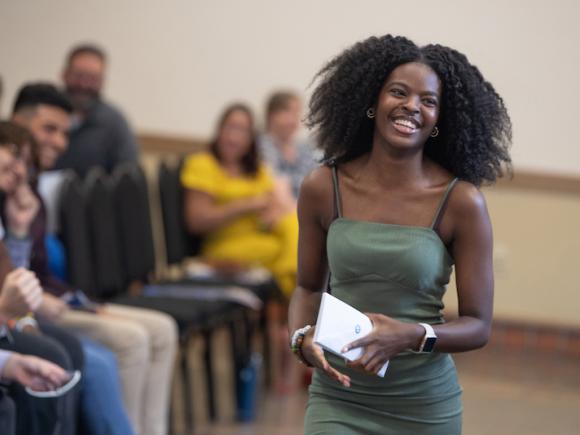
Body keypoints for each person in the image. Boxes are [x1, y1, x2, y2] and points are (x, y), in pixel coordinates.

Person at [288, 34, 512, 434]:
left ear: (440, 119)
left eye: (429, 101)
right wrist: (302, 339)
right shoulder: (323, 187)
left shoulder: (460, 202)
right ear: (373, 102)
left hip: (422, 407)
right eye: (399, 92)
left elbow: (478, 325)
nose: (412, 106)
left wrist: (410, 335)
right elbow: (307, 288)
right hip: (338, 397)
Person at [11, 83, 177, 435]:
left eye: (63, 133)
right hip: (28, 308)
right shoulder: (15, 188)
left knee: (162, 328)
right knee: (123, 345)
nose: (58, 142)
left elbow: (32, 269)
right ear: (16, 125)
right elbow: (19, 276)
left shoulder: (32, 191)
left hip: (46, 301)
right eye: (48, 129)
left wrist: (81, 301)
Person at [0, 119, 137, 435]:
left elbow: (17, 277)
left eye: (27, 163)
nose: (20, 170)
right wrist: (17, 317)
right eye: (13, 155)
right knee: (60, 354)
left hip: (27, 313)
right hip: (17, 316)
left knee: (67, 351)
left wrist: (20, 228)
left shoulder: (20, 203)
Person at [53, 43, 139, 177]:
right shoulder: (46, 113)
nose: (84, 85)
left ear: (103, 82)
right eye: (79, 75)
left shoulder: (114, 122)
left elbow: (128, 175)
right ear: (64, 74)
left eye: (93, 78)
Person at [258, 90, 318, 200]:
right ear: (272, 115)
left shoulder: (304, 148)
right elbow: (273, 184)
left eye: (297, 112)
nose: (295, 119)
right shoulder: (261, 145)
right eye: (289, 112)